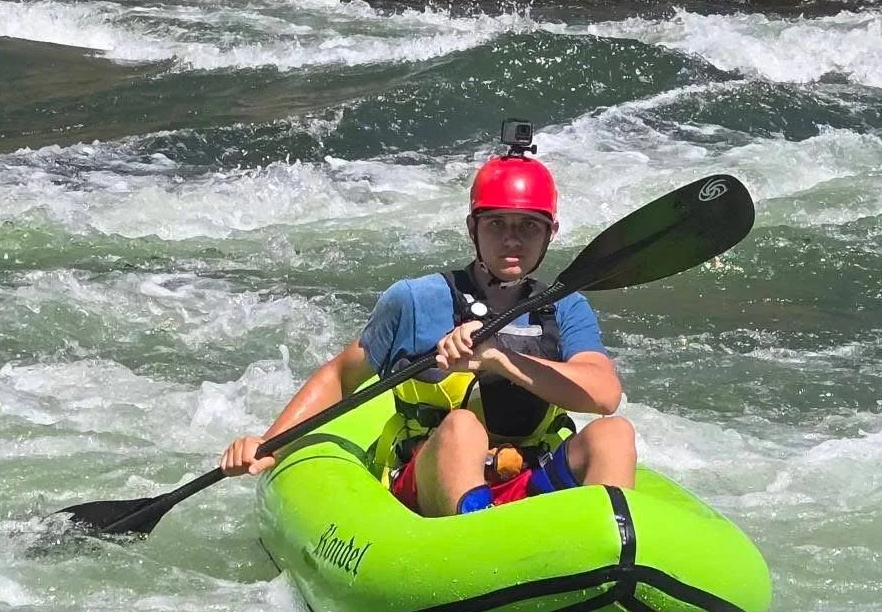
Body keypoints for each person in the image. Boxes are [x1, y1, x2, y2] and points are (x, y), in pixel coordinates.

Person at [220, 139, 637, 516]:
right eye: (498, 225)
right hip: (426, 482)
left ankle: (606, 556)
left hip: (527, 472)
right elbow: (341, 375)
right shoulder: (416, 300)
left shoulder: (564, 307)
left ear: (551, 233)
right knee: (461, 427)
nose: (513, 240)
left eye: (528, 226)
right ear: (473, 228)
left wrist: (496, 357)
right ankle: (477, 537)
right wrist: (269, 445)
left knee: (614, 435)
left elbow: (604, 396)